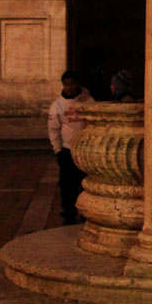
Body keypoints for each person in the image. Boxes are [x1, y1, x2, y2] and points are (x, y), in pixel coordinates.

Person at [47, 70, 94, 225]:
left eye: (72, 83)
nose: (69, 87)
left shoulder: (89, 102)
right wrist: (58, 150)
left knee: (86, 184)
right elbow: (53, 129)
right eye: (66, 84)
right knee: (67, 186)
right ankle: (68, 213)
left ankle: (86, 212)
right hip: (67, 150)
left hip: (85, 150)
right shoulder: (57, 105)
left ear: (78, 83)